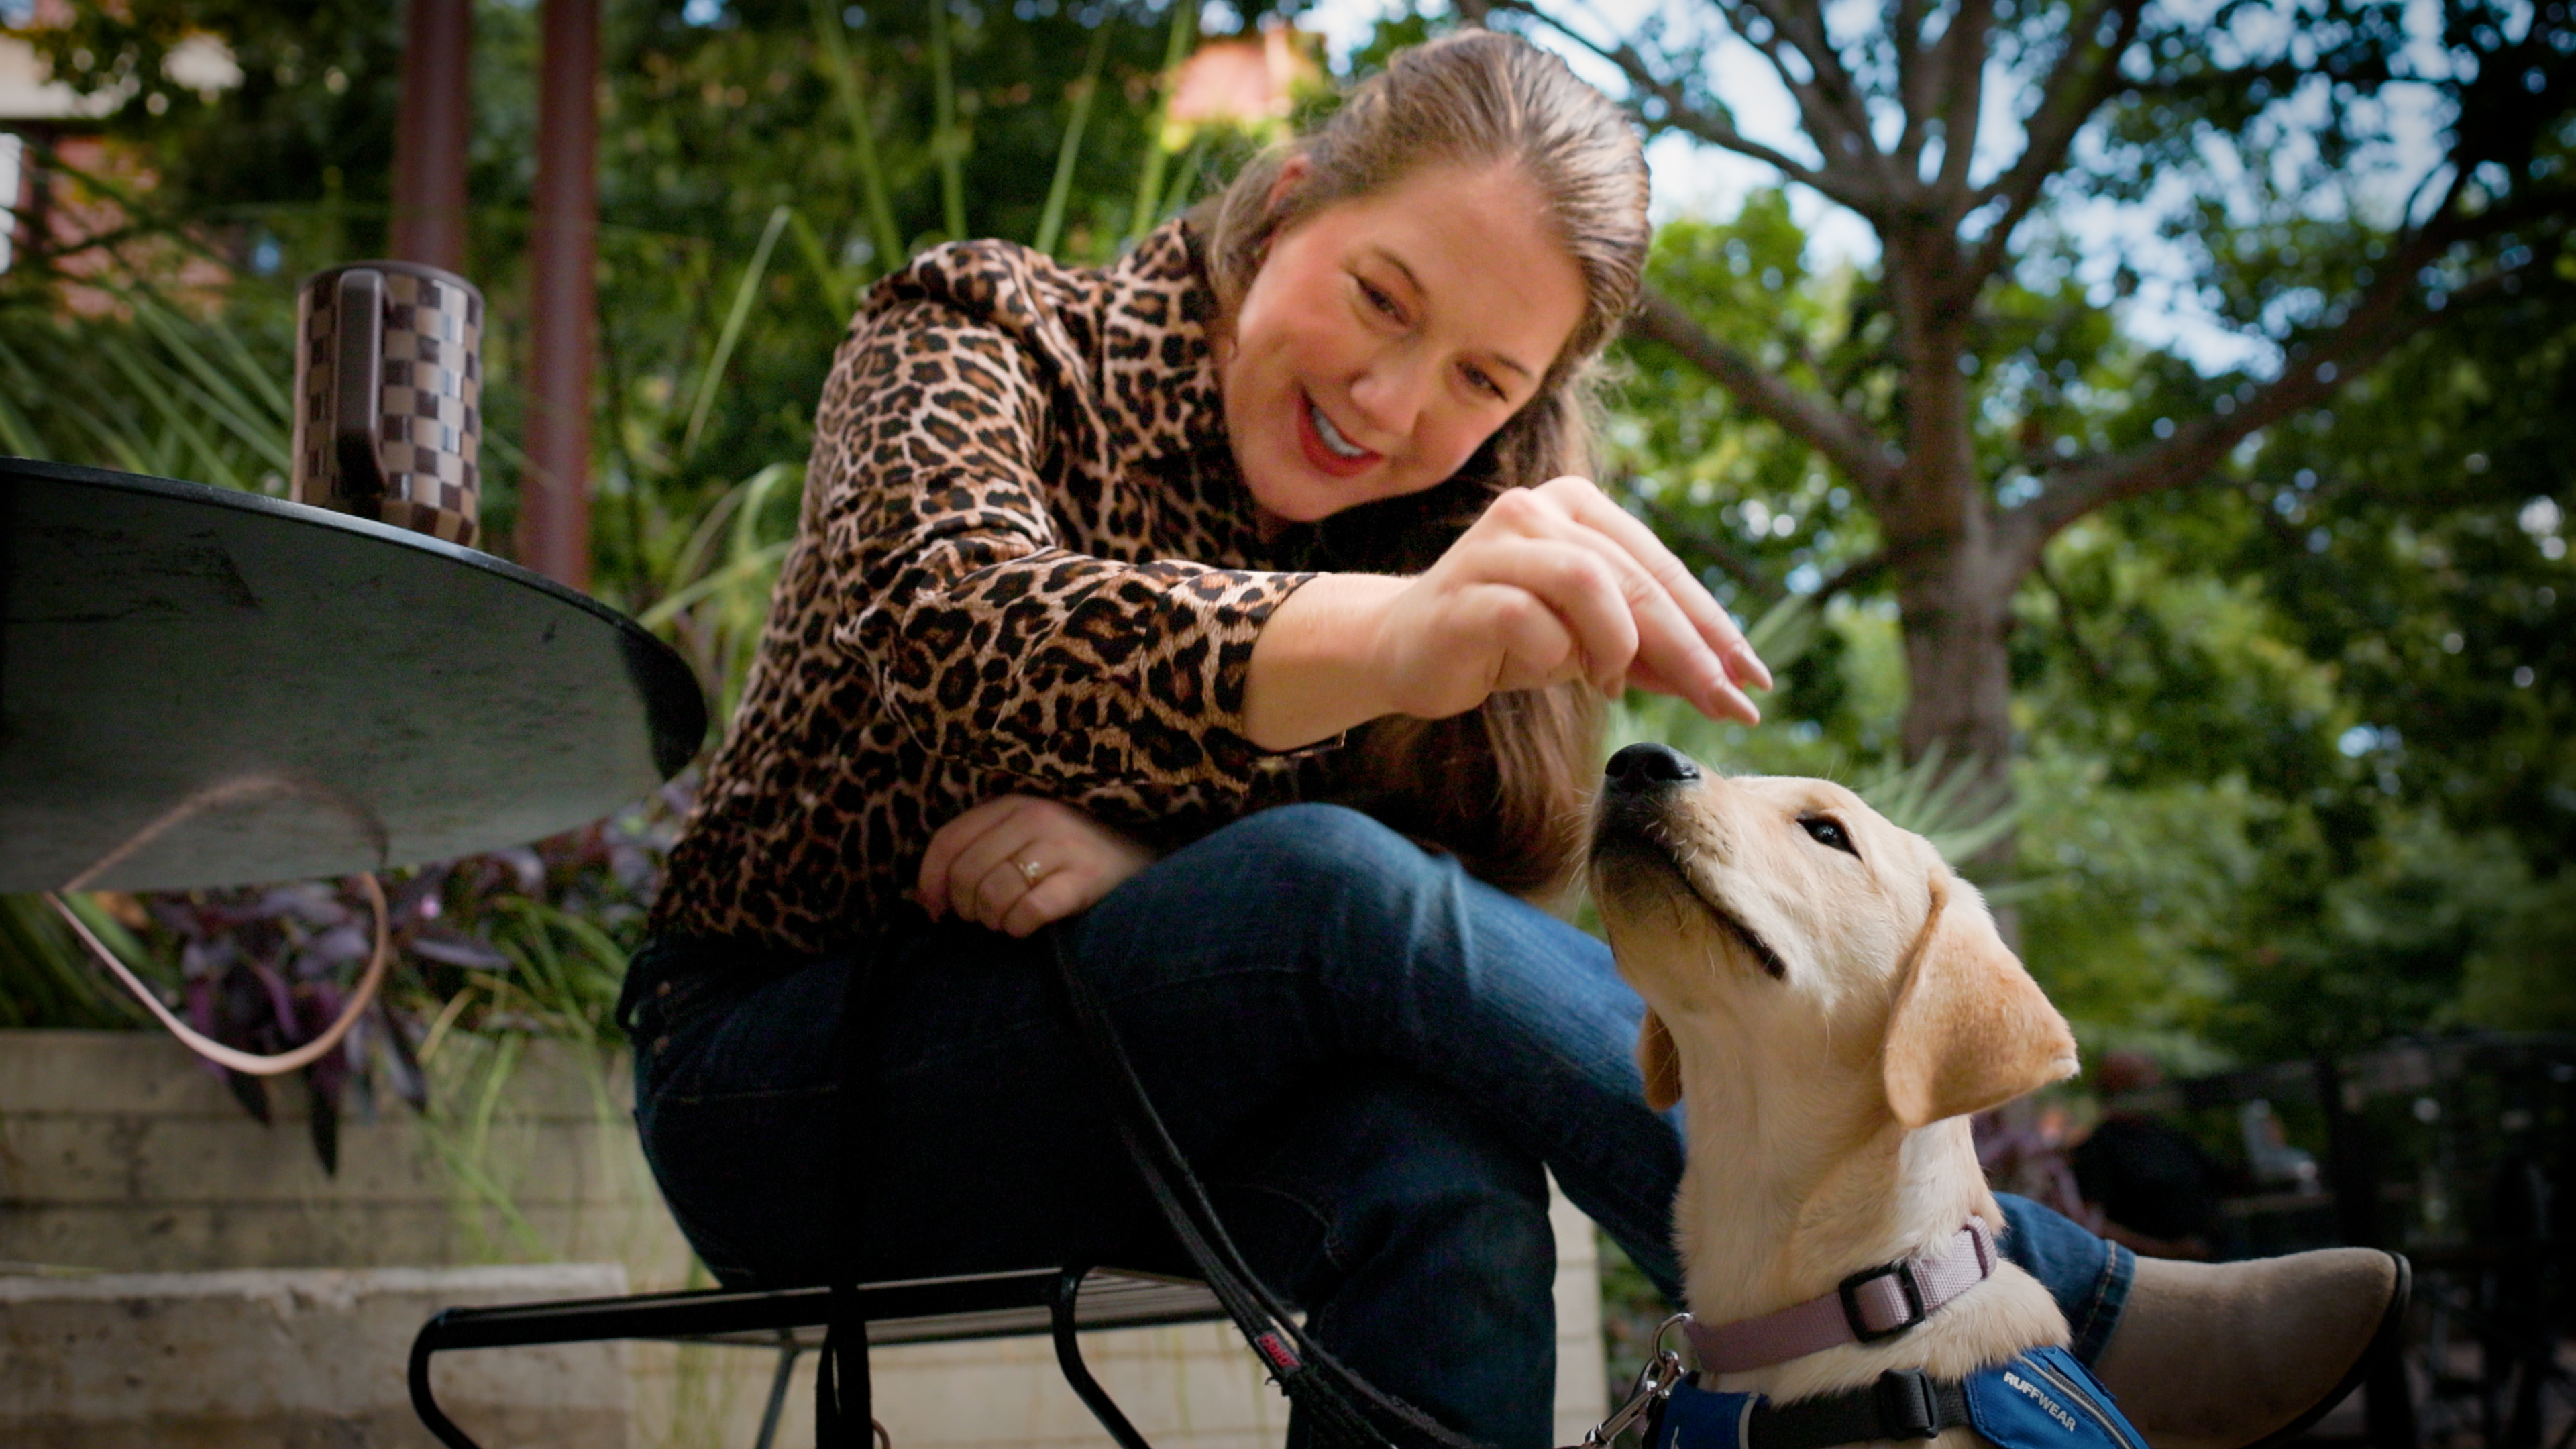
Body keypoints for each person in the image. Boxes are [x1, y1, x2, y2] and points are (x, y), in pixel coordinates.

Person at [620, 30, 2402, 1449]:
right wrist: (1384, 649)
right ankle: (2030, 1297)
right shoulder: (985, 329)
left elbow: (1421, 934)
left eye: (1481, 379)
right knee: (1328, 881)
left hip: (1149, 1104)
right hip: (790, 1090)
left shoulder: (1449, 517)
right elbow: (943, 629)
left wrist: (1154, 872)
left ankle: (1971, 1292)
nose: (1391, 402)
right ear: (1291, 198)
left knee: (1451, 1190)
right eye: (1382, 297)